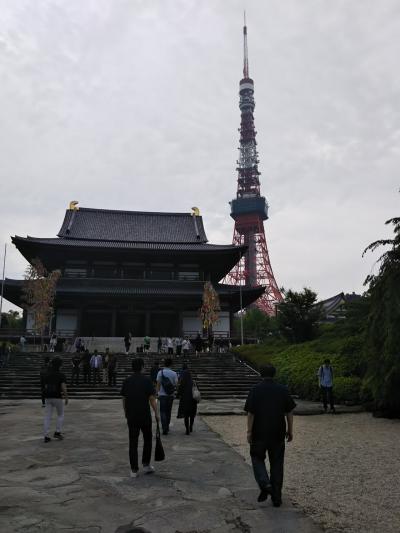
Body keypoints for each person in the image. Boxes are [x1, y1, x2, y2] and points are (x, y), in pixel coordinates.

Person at [244, 364, 296, 507]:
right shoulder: (283, 390)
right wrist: (290, 430)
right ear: (274, 374)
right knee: (277, 463)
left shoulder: (255, 390)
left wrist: (249, 431)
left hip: (259, 431)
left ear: (261, 373)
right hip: (278, 431)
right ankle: (277, 498)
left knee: (257, 458)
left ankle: (265, 484)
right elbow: (289, 412)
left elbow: (251, 413)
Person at [121, 358, 160, 478]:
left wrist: (126, 412)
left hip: (132, 415)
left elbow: (124, 399)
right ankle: (146, 464)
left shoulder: (127, 381)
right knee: (147, 439)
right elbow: (152, 399)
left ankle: (134, 469)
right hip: (144, 415)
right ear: (142, 366)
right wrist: (156, 413)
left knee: (133, 442)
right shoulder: (147, 380)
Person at [42, 357, 68, 443]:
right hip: (57, 397)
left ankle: (46, 436)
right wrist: (66, 397)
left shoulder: (47, 374)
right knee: (60, 415)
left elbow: (45, 387)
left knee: (47, 416)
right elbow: (63, 387)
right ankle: (57, 432)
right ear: (60, 365)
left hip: (48, 397)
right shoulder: (61, 375)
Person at [156, 358, 178, 435]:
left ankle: (164, 427)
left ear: (164, 364)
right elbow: (176, 384)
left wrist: (157, 393)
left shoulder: (160, 372)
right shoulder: (174, 373)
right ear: (171, 364)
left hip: (162, 395)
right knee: (168, 411)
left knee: (162, 411)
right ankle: (167, 427)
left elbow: (158, 384)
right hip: (170, 395)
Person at [177, 363, 198, 435]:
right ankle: (191, 426)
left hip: (185, 400)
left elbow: (179, 391)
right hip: (193, 401)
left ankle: (187, 429)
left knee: (186, 416)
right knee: (192, 415)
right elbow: (196, 390)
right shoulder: (193, 382)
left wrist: (178, 395)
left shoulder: (182, 382)